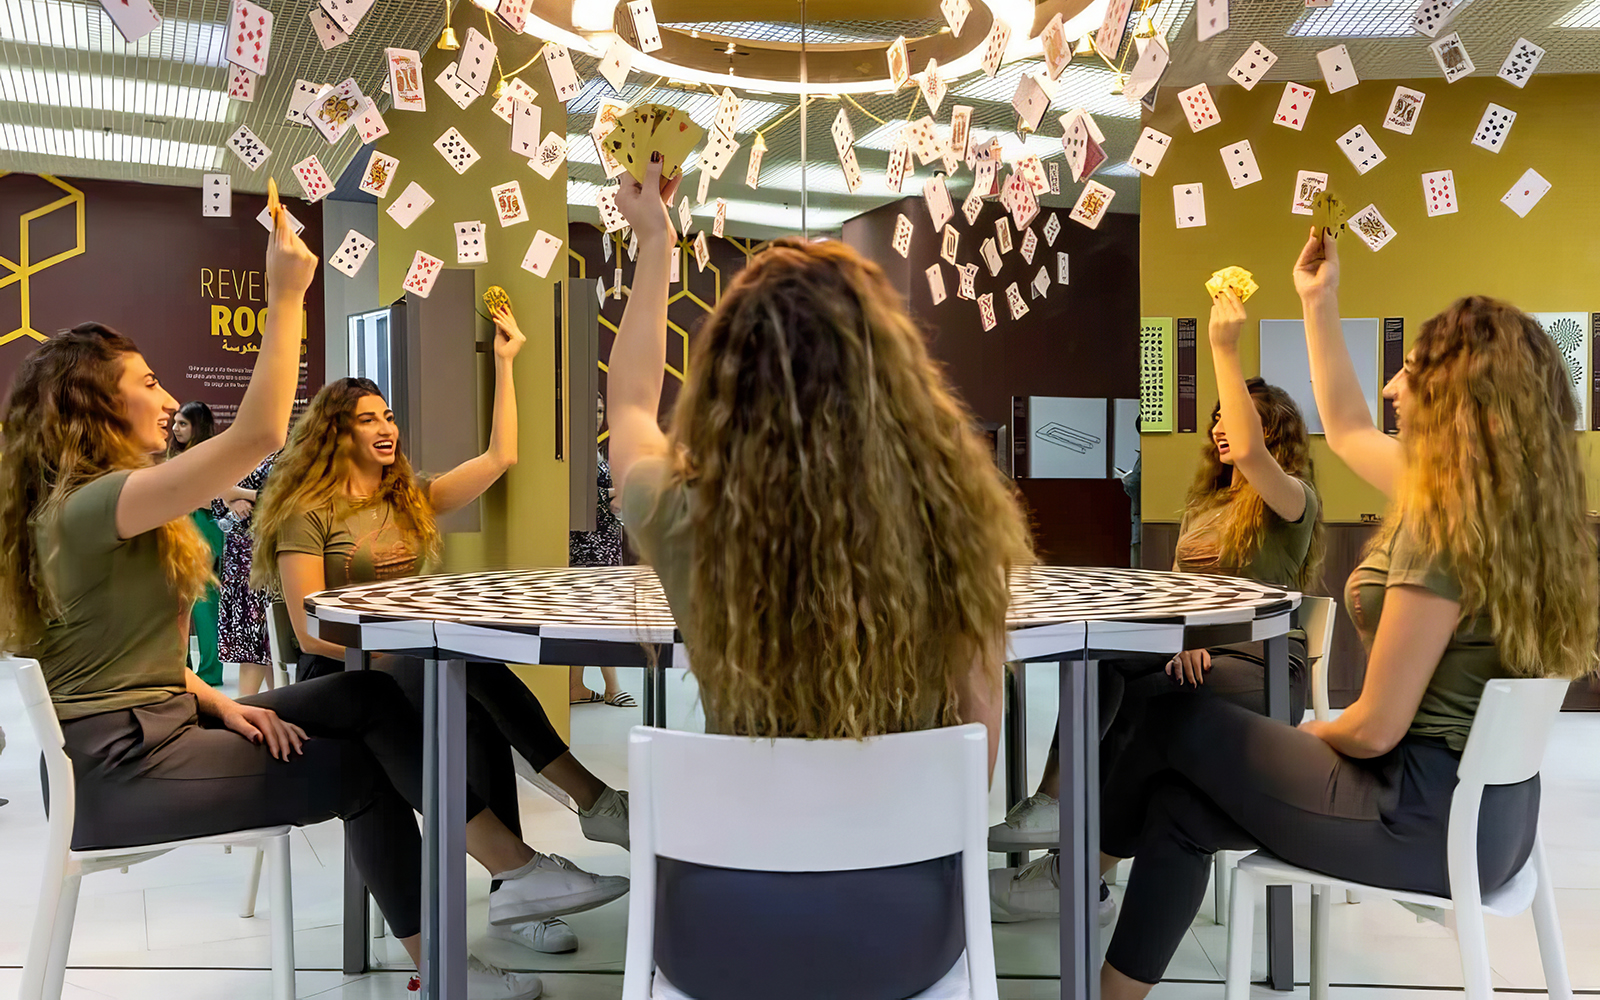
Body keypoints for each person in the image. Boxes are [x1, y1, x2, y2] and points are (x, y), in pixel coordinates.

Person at [0, 212, 568, 999]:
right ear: (91, 405)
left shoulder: (93, 508)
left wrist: (220, 706)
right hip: (122, 768)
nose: (167, 400)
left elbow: (116, 661)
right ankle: (452, 960)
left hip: (157, 726)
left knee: (371, 695)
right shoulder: (94, 505)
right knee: (363, 771)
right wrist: (286, 290)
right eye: (148, 383)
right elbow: (262, 429)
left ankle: (518, 873)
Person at [1095, 228, 1597, 998]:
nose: (1393, 391)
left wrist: (1298, 734)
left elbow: (1373, 728)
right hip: (1493, 822)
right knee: (1179, 807)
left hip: (1418, 815)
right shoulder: (1506, 508)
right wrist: (1317, 301)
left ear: (1454, 399)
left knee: (1173, 724)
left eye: (1406, 374)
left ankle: (1078, 865)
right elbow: (1353, 425)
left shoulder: (1443, 526)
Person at [609, 154, 1035, 1000]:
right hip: (903, 935)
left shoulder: (679, 512)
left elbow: (626, 408)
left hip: (721, 935)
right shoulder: (957, 525)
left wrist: (655, 241)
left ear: (725, 377)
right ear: (892, 378)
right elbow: (977, 741)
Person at [254, 301, 629, 957]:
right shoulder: (306, 512)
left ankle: (525, 883)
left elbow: (500, 456)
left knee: (465, 678)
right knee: (448, 667)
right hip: (343, 675)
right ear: (333, 434)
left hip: (412, 665)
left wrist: (507, 362)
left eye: (388, 416)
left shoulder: (409, 499)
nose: (384, 427)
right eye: (366, 419)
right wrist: (398, 646)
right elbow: (309, 632)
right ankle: (578, 819)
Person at [990, 291, 1324, 923]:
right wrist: (1182, 638)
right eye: (1220, 417)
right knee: (1101, 661)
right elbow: (1177, 592)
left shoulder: (1292, 500)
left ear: (1272, 433)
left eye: (1240, 417)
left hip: (1259, 665)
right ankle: (1057, 803)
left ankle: (1077, 878)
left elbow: (1253, 458)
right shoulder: (1205, 505)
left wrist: (1223, 344)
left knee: (1145, 709)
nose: (1223, 427)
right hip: (1195, 654)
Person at [569, 390, 635, 708]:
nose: (596, 417)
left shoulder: (590, 449)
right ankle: (612, 687)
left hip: (603, 542)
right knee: (601, 617)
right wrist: (612, 492)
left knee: (585, 618)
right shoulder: (574, 450)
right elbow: (577, 494)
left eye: (599, 411)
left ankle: (574, 686)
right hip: (588, 546)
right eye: (590, 411)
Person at [168, 401, 225, 686]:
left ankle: (210, 671)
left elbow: (213, 496)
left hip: (203, 528)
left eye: (183, 423)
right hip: (179, 527)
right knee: (179, 603)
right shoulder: (179, 455)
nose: (175, 429)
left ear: (197, 426)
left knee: (203, 604)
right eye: (175, 422)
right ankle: (184, 669)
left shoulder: (210, 454)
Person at [213, 453, 277, 696]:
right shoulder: (234, 458)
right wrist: (230, 500)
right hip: (237, 562)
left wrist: (237, 492)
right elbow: (218, 510)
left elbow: (281, 499)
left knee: (260, 635)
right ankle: (277, 700)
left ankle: (246, 706)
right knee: (260, 640)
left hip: (265, 560)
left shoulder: (282, 455)